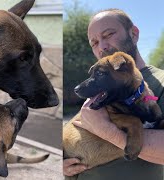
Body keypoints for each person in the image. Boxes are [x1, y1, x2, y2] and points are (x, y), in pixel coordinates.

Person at [63, 9, 164, 180]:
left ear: (133, 34)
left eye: (108, 34)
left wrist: (107, 131)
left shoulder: (160, 82)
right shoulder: (104, 88)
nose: (102, 46)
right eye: (94, 42)